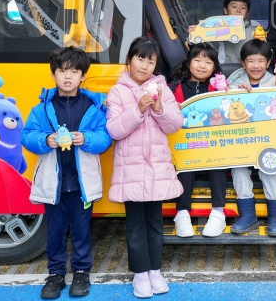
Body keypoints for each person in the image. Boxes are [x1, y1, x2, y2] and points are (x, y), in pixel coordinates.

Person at [21, 46, 112, 300]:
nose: (68, 76)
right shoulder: (42, 108)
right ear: (53, 75)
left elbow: (105, 138)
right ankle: (56, 274)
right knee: (55, 230)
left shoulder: (94, 106)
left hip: (82, 184)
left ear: (83, 76)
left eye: (74, 71)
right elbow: (26, 136)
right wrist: (45, 139)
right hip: (54, 184)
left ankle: (82, 272)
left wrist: (87, 138)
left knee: (82, 230)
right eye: (62, 71)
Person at [106, 37, 184, 298]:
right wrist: (139, 110)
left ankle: (155, 271)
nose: (145, 65)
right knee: (135, 224)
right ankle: (140, 273)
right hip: (131, 170)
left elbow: (175, 124)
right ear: (129, 61)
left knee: (155, 222)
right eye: (140, 59)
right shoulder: (118, 91)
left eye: (151, 61)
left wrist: (160, 108)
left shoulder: (162, 88)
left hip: (157, 169)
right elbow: (114, 130)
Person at [226, 39, 276, 237]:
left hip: (267, 139)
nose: (256, 66)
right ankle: (247, 216)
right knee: (238, 169)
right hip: (241, 139)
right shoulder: (233, 82)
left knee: (269, 171)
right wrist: (234, 92)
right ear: (243, 63)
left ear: (269, 63)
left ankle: (275, 218)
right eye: (251, 61)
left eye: (261, 61)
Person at [168, 43, 227, 238]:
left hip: (212, 146)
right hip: (184, 146)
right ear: (189, 62)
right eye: (197, 60)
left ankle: (218, 212)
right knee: (185, 163)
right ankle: (182, 213)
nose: (202, 65)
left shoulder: (218, 87)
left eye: (208, 62)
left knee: (218, 162)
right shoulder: (175, 86)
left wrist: (229, 91)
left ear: (214, 67)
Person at [188, 0, 262, 63]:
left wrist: (262, 42)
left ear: (247, 13)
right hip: (224, 69)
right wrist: (194, 33)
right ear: (225, 11)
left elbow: (262, 53)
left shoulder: (253, 32)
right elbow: (206, 47)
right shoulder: (217, 28)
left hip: (248, 70)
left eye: (243, 8)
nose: (238, 10)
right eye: (234, 6)